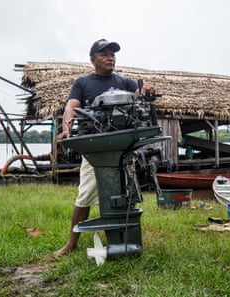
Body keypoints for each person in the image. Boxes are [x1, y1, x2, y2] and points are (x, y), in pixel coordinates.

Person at [53, 38, 155, 257]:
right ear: (93, 60)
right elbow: (71, 106)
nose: (111, 57)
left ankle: (123, 241)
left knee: (124, 195)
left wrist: (146, 88)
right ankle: (72, 243)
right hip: (96, 149)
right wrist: (67, 125)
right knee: (85, 194)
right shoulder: (83, 83)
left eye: (113, 54)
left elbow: (141, 92)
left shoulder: (124, 82)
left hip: (123, 148)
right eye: (104, 54)